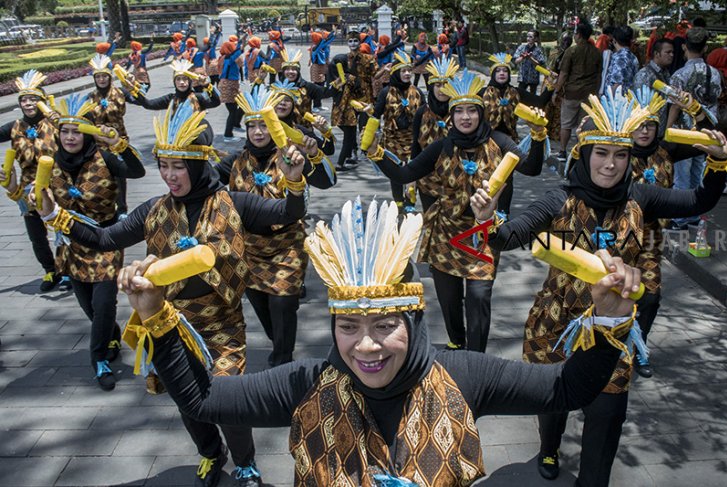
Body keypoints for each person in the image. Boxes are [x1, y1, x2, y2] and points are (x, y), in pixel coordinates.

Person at [118, 193, 646, 486]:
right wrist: (155, 315)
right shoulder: (308, 381)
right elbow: (205, 399)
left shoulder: (463, 376)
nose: (365, 347)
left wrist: (610, 325)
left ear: (414, 323)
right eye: (348, 327)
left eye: (384, 326)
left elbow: (567, 390)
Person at [37, 101, 308, 487]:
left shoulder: (235, 203)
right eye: (164, 165)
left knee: (229, 399)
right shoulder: (154, 210)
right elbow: (104, 237)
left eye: (178, 166)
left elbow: (289, 212)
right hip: (171, 324)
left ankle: (246, 462)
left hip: (223, 323)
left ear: (198, 164)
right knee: (188, 401)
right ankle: (211, 454)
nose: (169, 175)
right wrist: (54, 216)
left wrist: (295, 179)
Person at [481, 87, 727, 486]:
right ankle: (548, 446)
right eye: (601, 153)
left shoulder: (640, 197)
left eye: (619, 155)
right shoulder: (558, 199)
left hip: (612, 328)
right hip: (557, 324)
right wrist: (489, 216)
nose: (610, 165)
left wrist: (719, 163)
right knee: (554, 401)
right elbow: (507, 237)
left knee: (608, 415)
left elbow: (698, 200)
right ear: (583, 153)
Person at [365, 70, 545, 352]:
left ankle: (476, 357)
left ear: (481, 113)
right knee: (449, 300)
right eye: (458, 111)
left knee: (479, 296)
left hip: (482, 234)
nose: (465, 117)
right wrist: (377, 153)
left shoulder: (499, 141)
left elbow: (532, 168)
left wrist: (537, 135)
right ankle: (456, 342)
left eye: (471, 111)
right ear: (451, 116)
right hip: (445, 234)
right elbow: (405, 174)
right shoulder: (441, 146)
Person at [32, 93, 146, 390]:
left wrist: (118, 144)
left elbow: (137, 171)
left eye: (77, 131)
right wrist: (35, 199)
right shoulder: (50, 161)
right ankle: (110, 334)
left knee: (104, 303)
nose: (70, 137)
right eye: (65, 131)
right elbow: (39, 198)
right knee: (90, 307)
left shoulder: (104, 157)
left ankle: (99, 361)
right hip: (70, 244)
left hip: (105, 238)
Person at [213, 86, 327, 367]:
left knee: (283, 305)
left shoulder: (291, 156)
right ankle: (280, 344)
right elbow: (202, 181)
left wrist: (313, 155)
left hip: (287, 247)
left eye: (264, 125)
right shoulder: (235, 161)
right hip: (249, 251)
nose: (258, 132)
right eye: (252, 126)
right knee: (265, 314)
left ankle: (282, 361)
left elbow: (326, 181)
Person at [628, 86, 708, 379]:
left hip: (650, 239)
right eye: (638, 124)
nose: (645, 131)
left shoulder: (666, 149)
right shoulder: (616, 150)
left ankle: (639, 347)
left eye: (650, 124)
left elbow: (707, 137)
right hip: (613, 238)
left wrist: (694, 109)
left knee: (649, 298)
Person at [0, 70, 62, 292]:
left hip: (57, 185)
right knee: (36, 234)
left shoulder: (55, 122)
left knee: (63, 230)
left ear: (43, 101)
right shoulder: (15, 127)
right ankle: (50, 271)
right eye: (24, 100)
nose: (28, 103)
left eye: (33, 99)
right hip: (27, 188)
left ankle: (67, 268)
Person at [480, 53, 553, 216]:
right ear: (492, 74)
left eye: (504, 71)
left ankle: (503, 214)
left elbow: (539, 102)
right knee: (486, 177)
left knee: (507, 178)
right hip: (485, 141)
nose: (501, 73)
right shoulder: (483, 92)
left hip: (509, 142)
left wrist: (550, 87)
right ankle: (483, 214)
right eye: (498, 71)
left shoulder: (515, 92)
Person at [667, 27, 723, 230]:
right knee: (699, 174)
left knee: (682, 176)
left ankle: (680, 218)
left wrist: (667, 129)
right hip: (708, 131)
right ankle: (694, 215)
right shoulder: (715, 73)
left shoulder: (680, 74)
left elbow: (674, 105)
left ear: (684, 46)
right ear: (705, 47)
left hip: (684, 132)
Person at [372, 50, 424, 210]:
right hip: (392, 140)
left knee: (413, 170)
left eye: (409, 70)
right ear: (396, 73)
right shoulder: (386, 92)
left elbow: (424, 115)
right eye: (404, 71)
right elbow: (376, 115)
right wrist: (368, 136)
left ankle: (411, 201)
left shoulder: (417, 92)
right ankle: (398, 202)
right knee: (395, 172)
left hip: (413, 139)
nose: (408, 74)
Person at [410, 57, 458, 213]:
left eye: (446, 84)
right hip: (428, 180)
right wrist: (411, 179)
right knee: (431, 223)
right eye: (438, 84)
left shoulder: (461, 112)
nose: (442, 89)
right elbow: (415, 147)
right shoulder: (421, 113)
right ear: (431, 86)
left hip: (457, 181)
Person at [86, 54, 131, 218]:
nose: (102, 79)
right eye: (98, 77)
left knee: (119, 173)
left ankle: (122, 206)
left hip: (118, 139)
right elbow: (85, 115)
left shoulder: (119, 92)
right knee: (102, 172)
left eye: (104, 76)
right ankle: (105, 204)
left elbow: (123, 109)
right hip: (98, 140)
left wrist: (134, 87)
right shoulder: (91, 96)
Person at [553, 19, 602, 161]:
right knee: (584, 125)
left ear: (578, 35)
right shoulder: (597, 52)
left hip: (572, 92)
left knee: (566, 124)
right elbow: (599, 74)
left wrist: (556, 91)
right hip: (589, 94)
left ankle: (562, 151)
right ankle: (581, 151)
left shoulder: (571, 51)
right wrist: (596, 92)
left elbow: (563, 74)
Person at [330, 34, 376, 171]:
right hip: (347, 105)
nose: (353, 43)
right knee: (349, 133)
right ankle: (344, 160)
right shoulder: (344, 73)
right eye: (350, 40)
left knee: (357, 129)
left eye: (355, 40)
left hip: (360, 99)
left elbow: (372, 75)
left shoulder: (366, 59)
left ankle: (352, 154)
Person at [124, 59, 221, 115]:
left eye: (185, 79)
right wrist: (134, 90)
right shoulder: (170, 99)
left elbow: (216, 102)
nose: (182, 82)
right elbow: (148, 104)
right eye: (178, 79)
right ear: (174, 82)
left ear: (190, 81)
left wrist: (207, 85)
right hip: (177, 137)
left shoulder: (197, 97)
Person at [278, 48, 333, 127]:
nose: (290, 72)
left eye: (294, 69)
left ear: (298, 71)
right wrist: (259, 80)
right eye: (287, 69)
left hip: (305, 131)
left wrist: (334, 81)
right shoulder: (275, 89)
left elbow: (326, 93)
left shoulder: (307, 87)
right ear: (283, 72)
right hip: (283, 131)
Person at [634, 37, 674, 135]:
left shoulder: (666, 73)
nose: (672, 55)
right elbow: (640, 105)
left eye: (672, 52)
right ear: (656, 54)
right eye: (668, 52)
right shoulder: (644, 75)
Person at [545, 31, 572, 142]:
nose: (566, 43)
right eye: (564, 40)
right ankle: (544, 132)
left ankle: (556, 134)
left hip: (563, 85)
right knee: (547, 108)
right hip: (551, 82)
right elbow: (548, 66)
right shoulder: (554, 51)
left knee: (559, 111)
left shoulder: (571, 53)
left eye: (568, 41)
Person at [218, 39, 246, 142]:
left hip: (228, 85)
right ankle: (228, 135)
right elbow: (238, 52)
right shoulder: (229, 58)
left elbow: (238, 52)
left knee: (242, 104)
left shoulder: (224, 57)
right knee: (232, 111)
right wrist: (242, 42)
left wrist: (242, 44)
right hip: (229, 85)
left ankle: (235, 124)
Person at [602, 25, 639, 95]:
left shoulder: (620, 58)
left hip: (617, 102)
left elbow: (616, 85)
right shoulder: (633, 57)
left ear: (614, 40)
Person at [308, 30, 335, 112]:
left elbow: (326, 42)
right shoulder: (315, 47)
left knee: (321, 86)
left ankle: (319, 105)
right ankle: (315, 106)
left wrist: (333, 33)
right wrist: (324, 39)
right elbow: (323, 43)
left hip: (321, 67)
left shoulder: (319, 46)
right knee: (317, 87)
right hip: (317, 68)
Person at [513, 30, 546, 94]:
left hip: (533, 77)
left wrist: (530, 58)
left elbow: (539, 64)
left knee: (532, 96)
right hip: (522, 77)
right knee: (520, 95)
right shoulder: (521, 47)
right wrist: (523, 57)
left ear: (536, 38)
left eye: (530, 37)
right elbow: (516, 61)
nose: (528, 38)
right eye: (527, 36)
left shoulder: (538, 50)